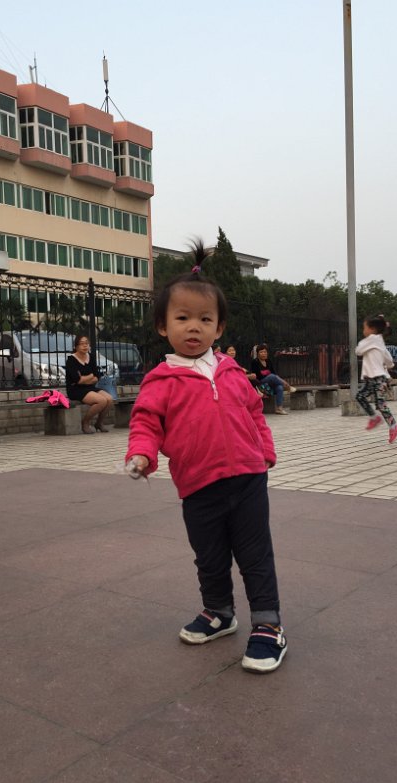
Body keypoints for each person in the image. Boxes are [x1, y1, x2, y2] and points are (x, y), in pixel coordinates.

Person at [125, 240, 287, 674]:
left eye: (205, 319)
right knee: (210, 556)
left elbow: (254, 413)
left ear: (219, 328)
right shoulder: (160, 380)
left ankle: (268, 625)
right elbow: (145, 424)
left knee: (255, 555)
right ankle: (219, 612)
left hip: (248, 480)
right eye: (182, 318)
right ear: (163, 327)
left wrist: (265, 452)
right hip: (198, 486)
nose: (193, 327)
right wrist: (141, 455)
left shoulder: (232, 372)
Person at [355, 314, 397, 443]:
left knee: (378, 403)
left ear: (372, 329)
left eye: (364, 327)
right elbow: (389, 359)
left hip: (378, 379)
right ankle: (377, 419)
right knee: (362, 397)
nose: (363, 330)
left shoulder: (372, 339)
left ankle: (394, 426)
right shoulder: (379, 342)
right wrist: (389, 365)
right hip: (372, 379)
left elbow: (358, 351)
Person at [65, 334, 113, 434]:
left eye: (86, 343)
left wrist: (85, 378)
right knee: (101, 401)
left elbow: (97, 376)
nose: (85, 346)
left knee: (109, 399)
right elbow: (77, 380)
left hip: (90, 388)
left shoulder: (90, 357)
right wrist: (90, 376)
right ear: (76, 346)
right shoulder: (71, 360)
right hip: (76, 389)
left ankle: (99, 423)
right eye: (82, 344)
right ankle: (85, 422)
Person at [251, 343, 296, 414]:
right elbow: (257, 377)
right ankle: (288, 387)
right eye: (261, 352)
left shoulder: (268, 361)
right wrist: (271, 378)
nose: (263, 354)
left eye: (265, 352)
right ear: (258, 353)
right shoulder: (255, 362)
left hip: (270, 386)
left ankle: (279, 408)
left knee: (279, 387)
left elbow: (275, 374)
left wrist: (280, 380)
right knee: (271, 376)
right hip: (261, 386)